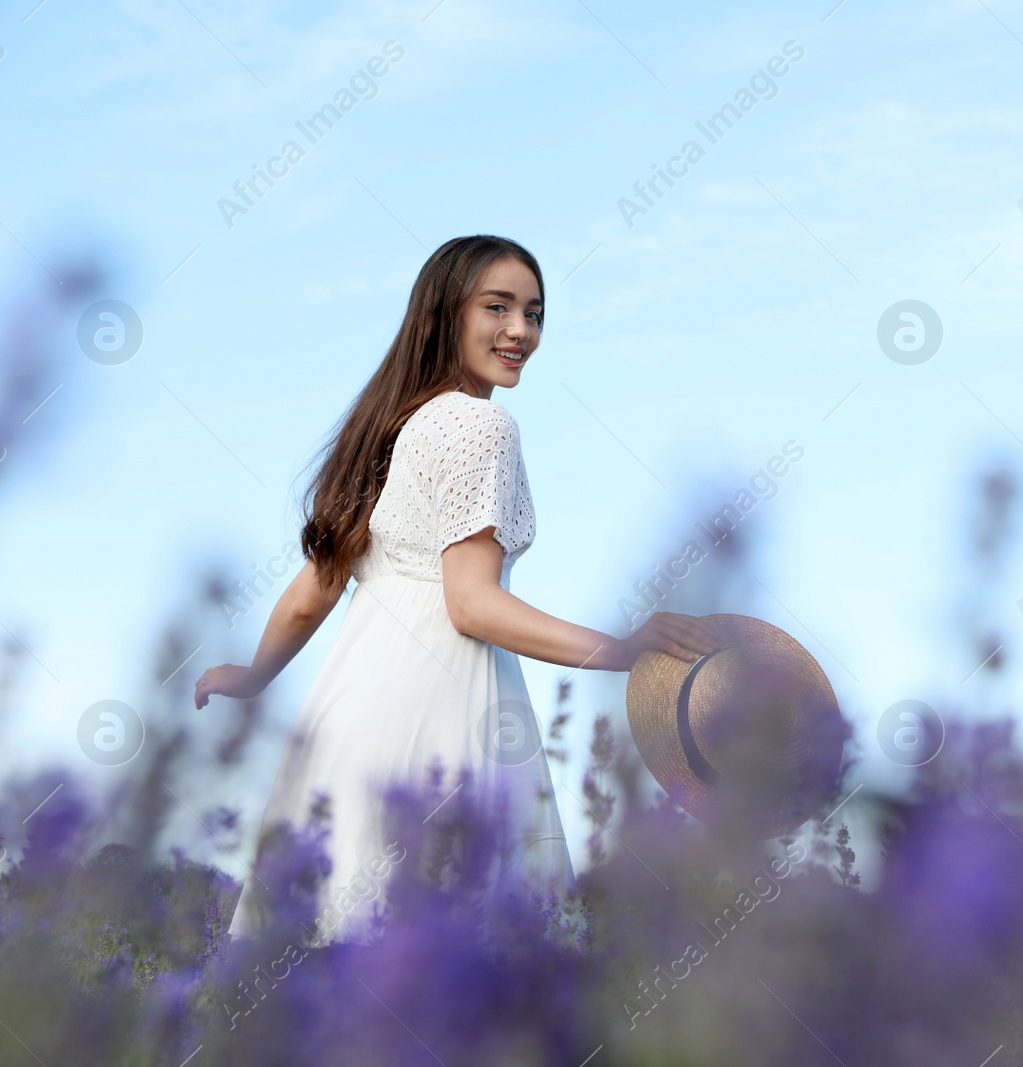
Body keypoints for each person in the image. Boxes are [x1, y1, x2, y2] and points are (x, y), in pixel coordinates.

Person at [193, 234, 716, 944]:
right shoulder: (478, 422)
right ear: (444, 313)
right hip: (440, 710)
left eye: (533, 312)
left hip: (349, 713)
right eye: (496, 307)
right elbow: (471, 602)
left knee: (324, 954)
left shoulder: (388, 427)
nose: (520, 331)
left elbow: (312, 592)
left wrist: (256, 677)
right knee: (451, 967)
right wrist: (620, 649)